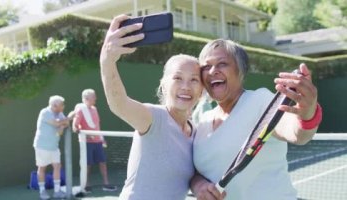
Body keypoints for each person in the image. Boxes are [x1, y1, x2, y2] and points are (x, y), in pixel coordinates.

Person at [190, 39, 322, 200]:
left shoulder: (261, 101)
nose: (212, 71)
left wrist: (307, 113)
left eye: (222, 64)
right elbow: (195, 171)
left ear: (240, 71)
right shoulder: (202, 119)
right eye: (206, 66)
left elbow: (297, 134)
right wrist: (198, 185)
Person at [100, 15, 203, 200]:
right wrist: (106, 61)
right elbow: (119, 104)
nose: (186, 86)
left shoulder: (195, 132)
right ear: (163, 85)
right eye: (178, 78)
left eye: (194, 80)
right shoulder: (154, 118)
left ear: (202, 91)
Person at [72, 88, 117, 192]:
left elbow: (97, 126)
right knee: (87, 164)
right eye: (93, 96)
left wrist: (102, 138)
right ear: (86, 98)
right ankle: (86, 185)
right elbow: (75, 128)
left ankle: (106, 184)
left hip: (98, 142)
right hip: (86, 143)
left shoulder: (94, 109)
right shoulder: (80, 110)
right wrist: (87, 136)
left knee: (102, 162)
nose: (96, 98)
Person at [33, 95, 74, 200]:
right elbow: (58, 123)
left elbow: (64, 126)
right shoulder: (45, 112)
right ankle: (42, 192)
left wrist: (63, 123)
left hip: (54, 147)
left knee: (57, 166)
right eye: (62, 105)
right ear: (55, 105)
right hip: (42, 146)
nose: (63, 107)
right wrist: (68, 118)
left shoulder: (60, 113)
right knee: (42, 168)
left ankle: (57, 191)